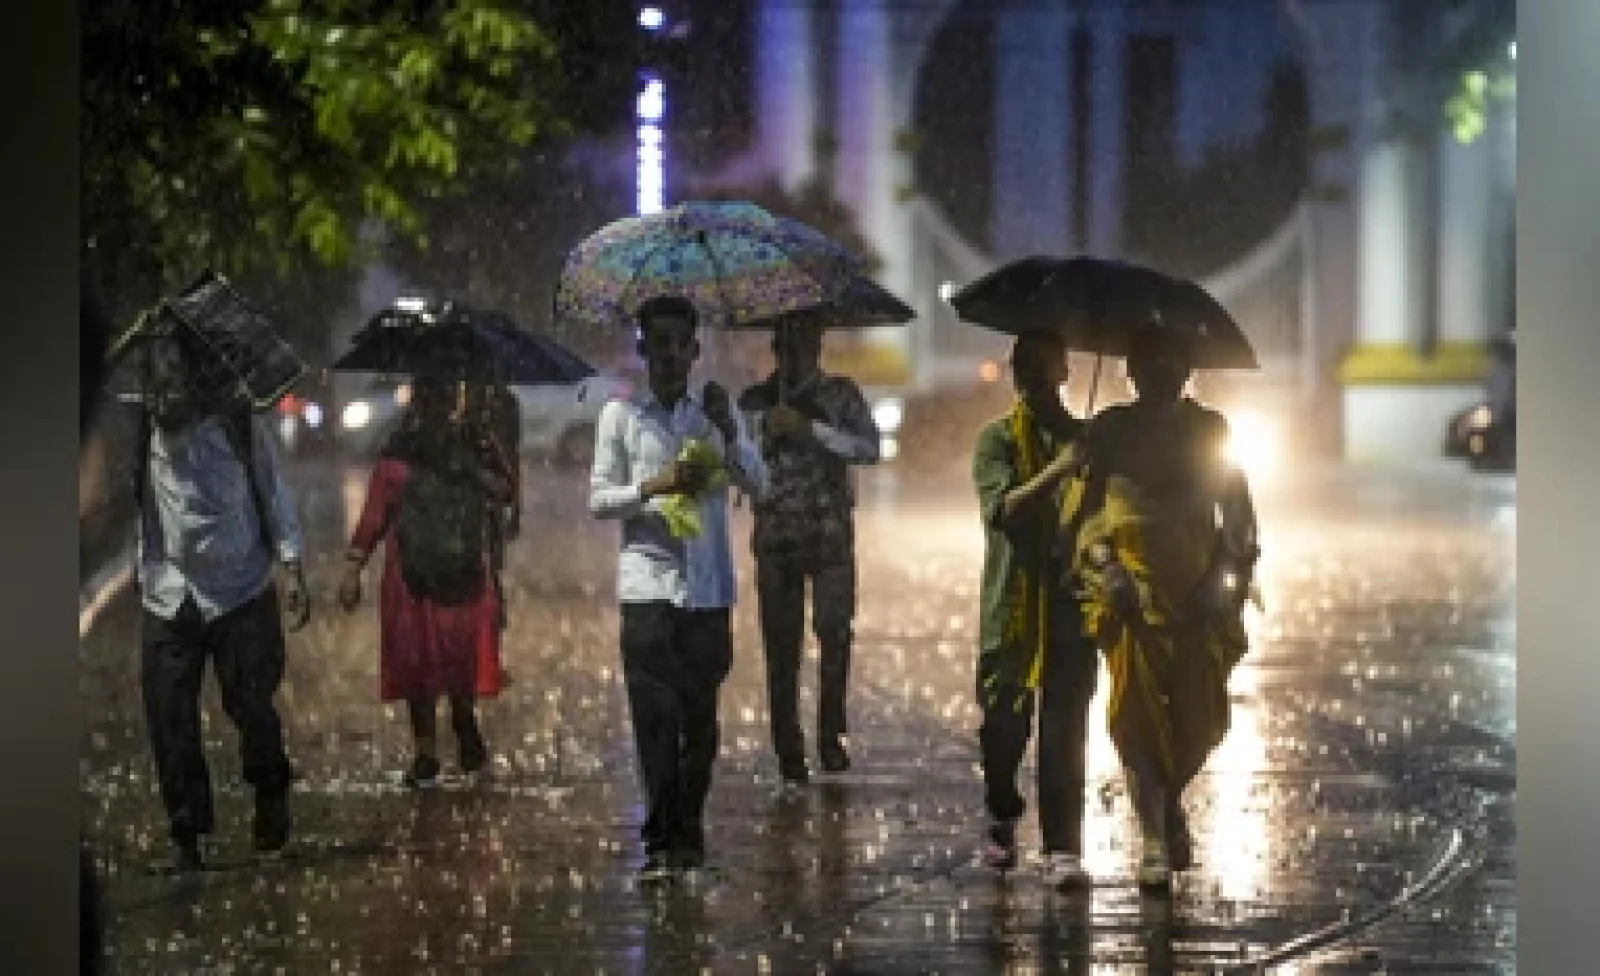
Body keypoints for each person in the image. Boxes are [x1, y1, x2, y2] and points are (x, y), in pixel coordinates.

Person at [1065, 324, 1260, 890]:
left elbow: (1238, 514)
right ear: (1130, 371)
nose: (1162, 371)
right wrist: (1107, 568)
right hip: (1131, 600)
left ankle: (1169, 802)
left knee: (1200, 725)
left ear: (1188, 369)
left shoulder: (1209, 429)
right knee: (1138, 722)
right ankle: (1152, 840)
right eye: (1149, 361)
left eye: (1172, 360)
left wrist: (1224, 577)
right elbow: (1084, 514)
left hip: (1199, 602)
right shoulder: (1109, 431)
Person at [589, 295, 768, 881]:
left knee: (701, 725)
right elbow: (600, 500)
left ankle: (686, 827)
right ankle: (664, 841)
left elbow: (759, 485)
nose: (668, 354)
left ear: (695, 350)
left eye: (678, 343)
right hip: (647, 588)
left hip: (708, 590)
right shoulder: (620, 417)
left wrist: (729, 431)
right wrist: (653, 487)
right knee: (654, 721)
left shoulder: (716, 411)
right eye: (657, 342)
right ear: (642, 349)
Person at [131, 328, 310, 872]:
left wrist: (292, 568)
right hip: (169, 593)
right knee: (170, 719)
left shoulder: (237, 423)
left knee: (252, 706)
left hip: (242, 589)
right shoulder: (142, 427)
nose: (163, 396)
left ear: (197, 380)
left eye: (173, 381)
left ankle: (271, 797)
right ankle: (187, 833)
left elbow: (273, 491)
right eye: (155, 383)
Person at [338, 374, 514, 787]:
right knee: (433, 659)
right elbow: (376, 514)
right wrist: (353, 567)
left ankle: (449, 731)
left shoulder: (462, 444)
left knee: (441, 658)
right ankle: (433, 746)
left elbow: (504, 491)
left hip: (444, 573)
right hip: (423, 576)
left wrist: (354, 568)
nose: (437, 407)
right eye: (432, 398)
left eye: (442, 397)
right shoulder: (416, 448)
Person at [970, 329, 1099, 888]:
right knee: (1003, 725)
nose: (1035, 375)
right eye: (1025, 364)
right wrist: (1060, 471)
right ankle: (1002, 812)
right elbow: (1002, 511)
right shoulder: (996, 440)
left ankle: (1062, 846)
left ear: (1066, 371)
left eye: (1046, 363)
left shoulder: (1088, 442)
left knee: (1065, 727)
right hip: (1013, 604)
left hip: (1071, 604)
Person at [738, 318, 880, 784]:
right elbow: (735, 464)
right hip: (776, 538)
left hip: (830, 537)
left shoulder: (841, 395)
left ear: (819, 347)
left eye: (805, 345)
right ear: (775, 349)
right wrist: (763, 433)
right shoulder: (755, 401)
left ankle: (831, 736)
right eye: (787, 346)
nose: (796, 356)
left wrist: (812, 430)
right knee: (781, 649)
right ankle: (789, 750)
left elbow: (869, 448)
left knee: (835, 636)